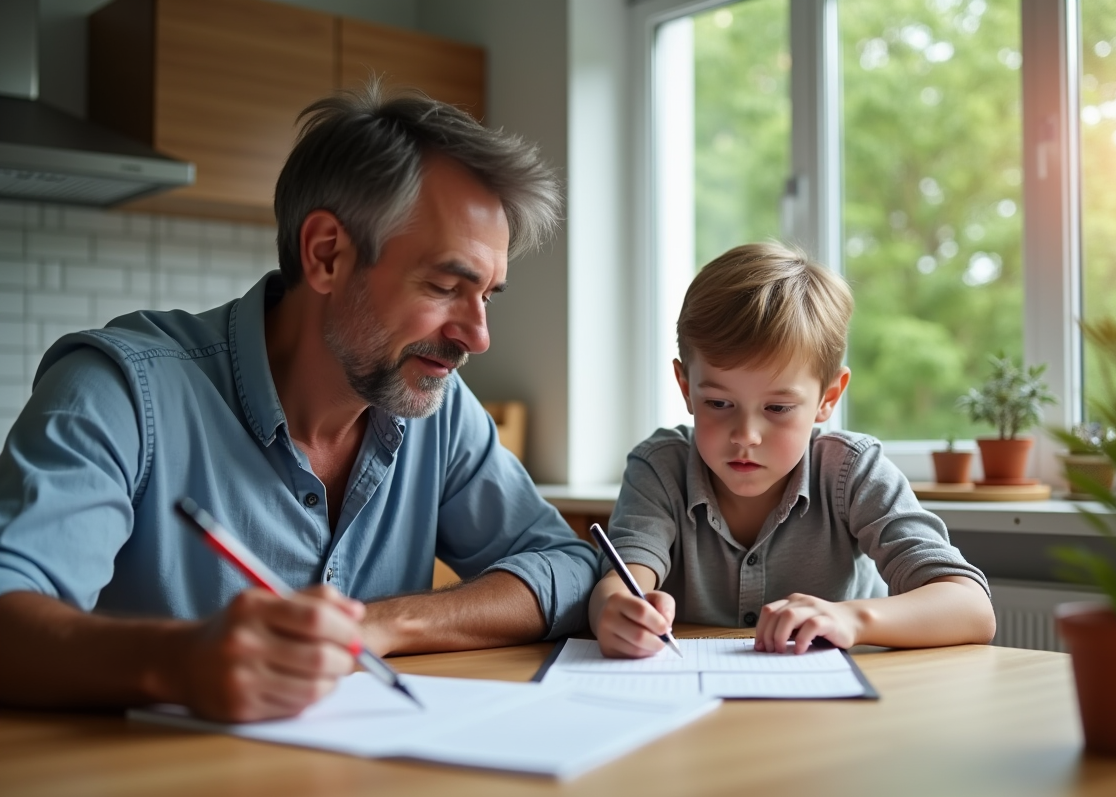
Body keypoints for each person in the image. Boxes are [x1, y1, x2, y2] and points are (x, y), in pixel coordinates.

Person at [0, 85, 599, 721]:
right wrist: (179, 662)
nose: (478, 336)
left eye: (488, 295)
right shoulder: (119, 391)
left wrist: (380, 625)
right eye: (445, 285)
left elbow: (567, 566)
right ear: (326, 254)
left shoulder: (437, 409)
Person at [589, 243, 995, 658]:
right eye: (719, 403)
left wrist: (852, 619)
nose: (746, 435)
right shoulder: (659, 468)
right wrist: (616, 611)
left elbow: (972, 608)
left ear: (827, 398)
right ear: (685, 387)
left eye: (778, 408)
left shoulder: (852, 471)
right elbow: (620, 585)